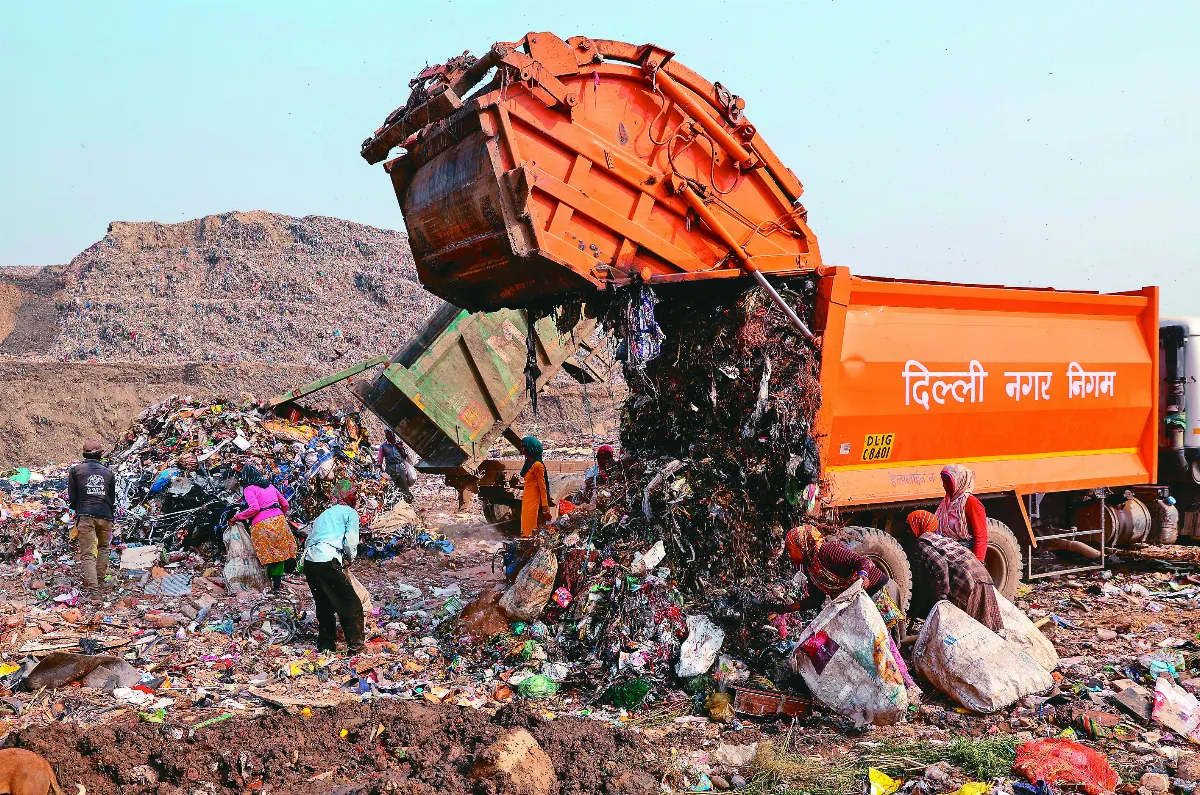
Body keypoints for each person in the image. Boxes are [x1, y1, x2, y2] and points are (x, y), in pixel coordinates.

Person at [907, 510, 1002, 631]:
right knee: (986, 629)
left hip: (967, 581)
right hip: (984, 577)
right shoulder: (942, 539)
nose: (908, 531)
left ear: (919, 525)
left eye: (910, 526)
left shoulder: (923, 542)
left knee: (964, 630)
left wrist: (943, 597)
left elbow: (941, 566)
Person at [303, 481, 364, 654]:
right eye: (353, 494)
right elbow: (351, 540)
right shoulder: (350, 513)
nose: (355, 498)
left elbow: (310, 539)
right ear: (348, 496)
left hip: (310, 561)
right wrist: (349, 558)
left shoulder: (325, 514)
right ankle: (356, 647)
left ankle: (326, 645)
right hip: (327, 559)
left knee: (324, 605)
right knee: (351, 603)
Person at [232, 465, 297, 592]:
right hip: (279, 520)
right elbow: (286, 504)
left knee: (266, 553)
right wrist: (279, 514)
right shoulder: (270, 486)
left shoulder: (249, 489)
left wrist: (237, 517)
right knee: (279, 552)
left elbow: (254, 508)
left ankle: (267, 581)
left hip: (262, 524)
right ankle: (277, 585)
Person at [68, 440, 116, 594]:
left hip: (86, 515)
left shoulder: (75, 471)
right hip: (105, 515)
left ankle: (95, 592)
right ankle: (100, 583)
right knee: (103, 548)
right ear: (101, 455)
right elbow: (112, 498)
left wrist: (79, 510)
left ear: (83, 454)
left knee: (88, 553)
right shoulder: (108, 472)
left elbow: (73, 498)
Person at [935, 464, 988, 562]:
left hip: (965, 555)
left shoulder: (972, 503)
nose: (944, 486)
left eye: (948, 482)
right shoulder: (946, 503)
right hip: (949, 551)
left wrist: (977, 563)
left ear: (960, 481)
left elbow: (981, 537)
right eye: (943, 482)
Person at [519, 436, 552, 538]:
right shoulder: (529, 464)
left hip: (534, 502)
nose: (522, 449)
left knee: (532, 527)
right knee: (525, 527)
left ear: (530, 448)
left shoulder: (537, 465)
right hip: (527, 500)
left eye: (524, 446)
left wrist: (545, 507)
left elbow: (543, 487)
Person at [377, 430, 415, 502]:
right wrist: (380, 469)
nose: (388, 436)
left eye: (389, 434)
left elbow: (404, 456)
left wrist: (401, 448)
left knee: (404, 485)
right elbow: (380, 459)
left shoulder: (398, 444)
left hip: (399, 467)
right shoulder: (383, 446)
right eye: (387, 434)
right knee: (391, 487)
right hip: (390, 467)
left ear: (393, 434)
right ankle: (393, 503)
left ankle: (407, 501)